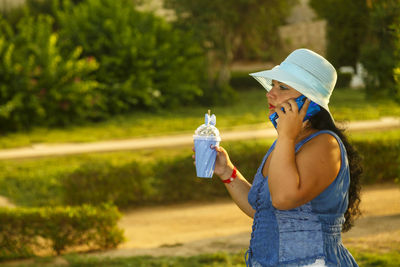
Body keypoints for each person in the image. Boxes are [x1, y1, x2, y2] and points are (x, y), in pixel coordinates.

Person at [192, 48, 363, 266]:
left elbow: (283, 199)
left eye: (282, 87)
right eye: (272, 85)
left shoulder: (324, 144)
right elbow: (263, 212)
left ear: (309, 101)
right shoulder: (287, 141)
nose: (270, 94)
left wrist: (286, 136)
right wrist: (227, 171)